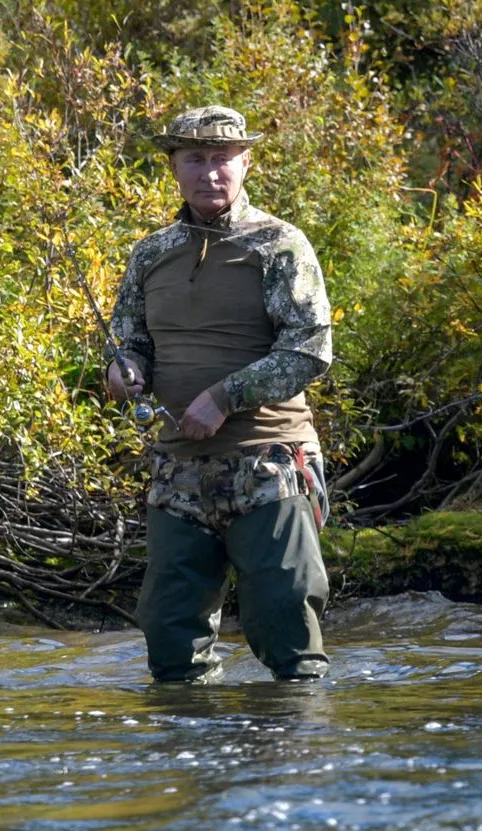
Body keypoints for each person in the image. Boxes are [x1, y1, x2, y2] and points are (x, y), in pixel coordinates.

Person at [105, 105, 333, 683]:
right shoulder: (151, 253)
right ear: (175, 167)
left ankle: (292, 759)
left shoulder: (280, 244)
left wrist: (224, 397)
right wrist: (123, 370)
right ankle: (195, 760)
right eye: (195, 159)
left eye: (222, 159)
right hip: (177, 471)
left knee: (287, 625)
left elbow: (308, 349)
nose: (210, 172)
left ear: (246, 163)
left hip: (270, 463)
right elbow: (130, 344)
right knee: (170, 639)